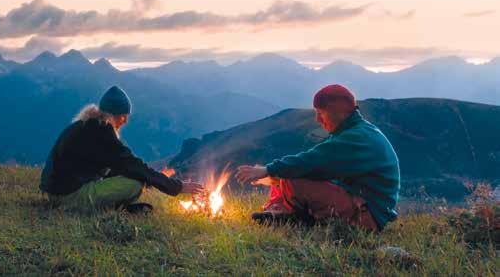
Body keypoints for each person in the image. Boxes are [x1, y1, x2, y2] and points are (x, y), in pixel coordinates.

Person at [235, 84, 400, 231]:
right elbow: (318, 166)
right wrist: (273, 175)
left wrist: (267, 170)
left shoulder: (357, 138)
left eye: (321, 113)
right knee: (287, 175)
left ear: (338, 112)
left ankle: (288, 216)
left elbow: (310, 162)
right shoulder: (353, 132)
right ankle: (280, 214)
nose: (317, 119)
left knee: (292, 177)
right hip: (364, 204)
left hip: (367, 215)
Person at [40, 85, 204, 213]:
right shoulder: (102, 133)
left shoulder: (86, 126)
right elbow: (132, 164)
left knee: (130, 175)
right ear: (116, 115)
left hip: (56, 192)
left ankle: (115, 208)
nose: (125, 121)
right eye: (124, 116)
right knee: (134, 184)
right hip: (69, 196)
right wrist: (177, 187)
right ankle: (90, 208)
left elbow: (118, 165)